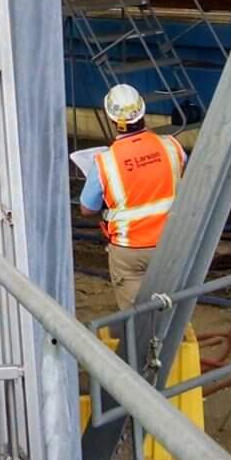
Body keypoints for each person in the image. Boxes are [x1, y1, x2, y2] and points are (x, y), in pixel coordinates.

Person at [80, 83, 184, 309]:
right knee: (171, 308)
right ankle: (174, 342)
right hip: (171, 241)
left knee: (136, 317)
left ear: (111, 119)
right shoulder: (172, 146)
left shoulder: (104, 163)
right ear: (143, 112)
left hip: (129, 248)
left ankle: (142, 343)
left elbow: (87, 208)